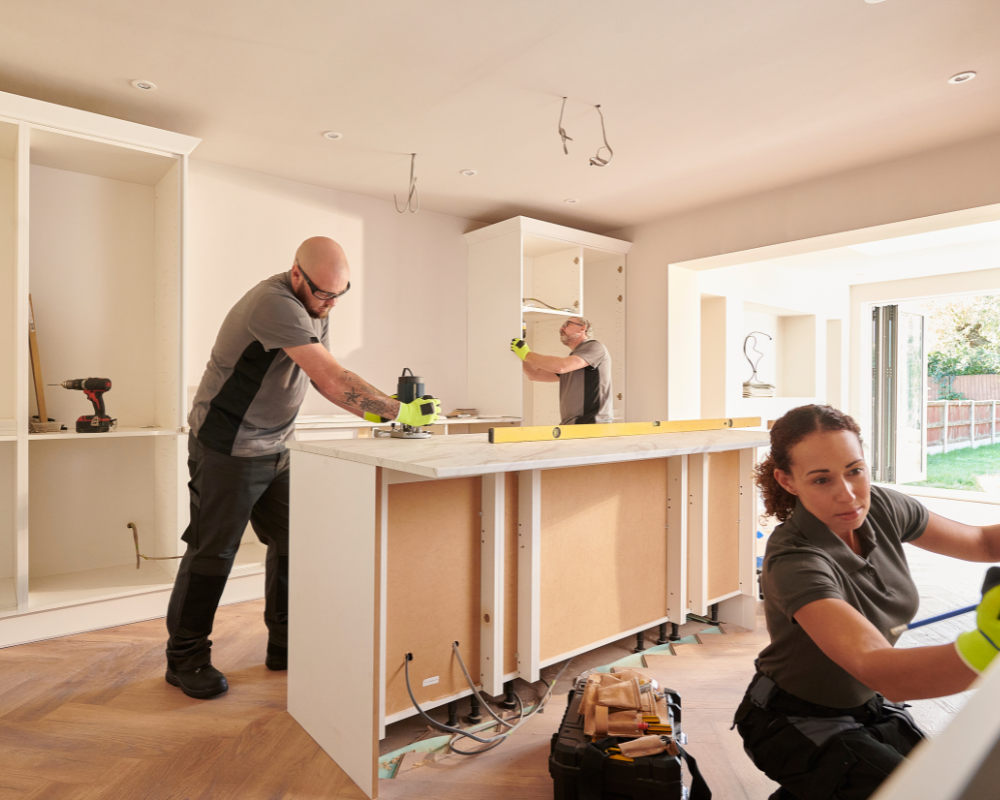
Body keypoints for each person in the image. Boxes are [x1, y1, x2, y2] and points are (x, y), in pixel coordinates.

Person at [165, 236, 441, 699]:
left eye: (339, 295)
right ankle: (185, 659)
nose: (330, 303)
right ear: (297, 274)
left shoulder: (314, 308)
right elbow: (335, 381)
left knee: (298, 541)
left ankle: (287, 643)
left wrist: (382, 411)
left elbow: (321, 374)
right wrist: (398, 410)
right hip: (227, 447)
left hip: (277, 447)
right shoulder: (272, 304)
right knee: (213, 554)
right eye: (322, 293)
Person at [734, 404, 1000, 800]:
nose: (848, 494)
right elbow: (881, 669)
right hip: (791, 720)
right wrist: (989, 646)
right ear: (787, 481)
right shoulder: (795, 559)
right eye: (822, 480)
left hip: (865, 709)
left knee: (947, 783)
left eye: (855, 470)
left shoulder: (882, 507)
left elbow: (982, 542)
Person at [509, 316, 612, 424]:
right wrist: (520, 353)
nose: (561, 328)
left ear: (582, 328)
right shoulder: (575, 361)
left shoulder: (594, 347)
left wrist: (527, 354)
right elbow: (535, 374)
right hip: (573, 424)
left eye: (567, 324)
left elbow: (560, 367)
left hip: (592, 423)